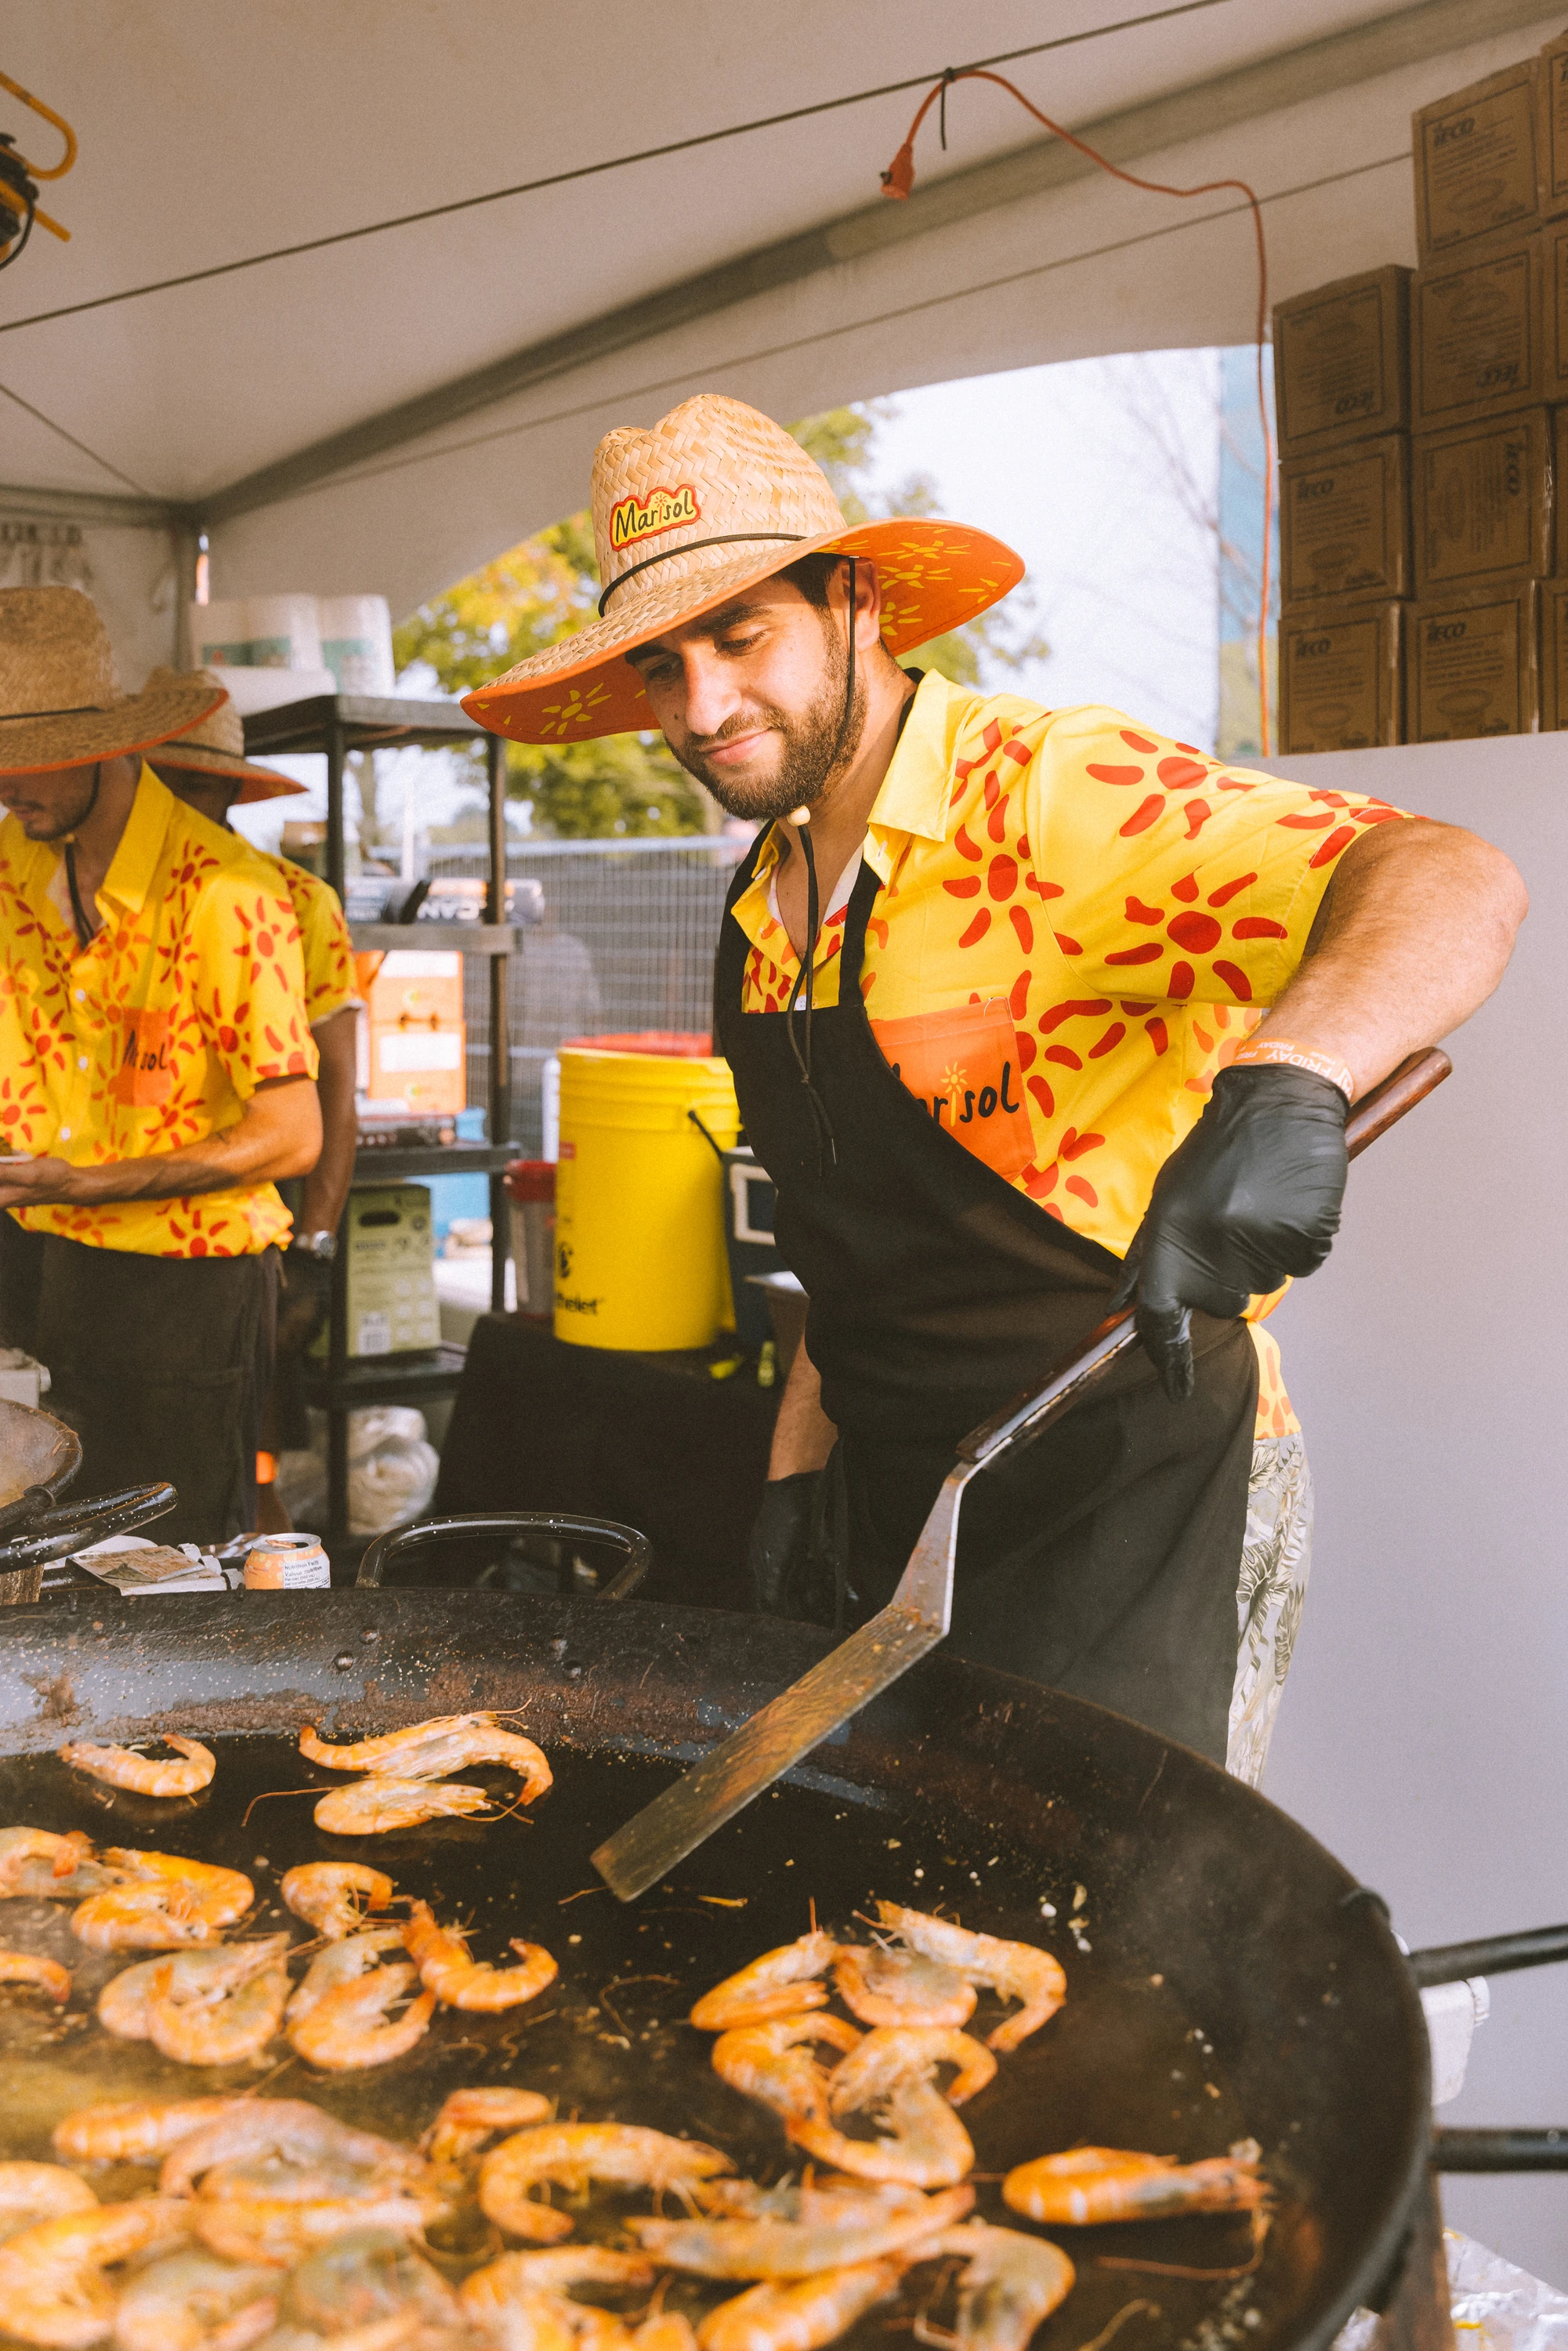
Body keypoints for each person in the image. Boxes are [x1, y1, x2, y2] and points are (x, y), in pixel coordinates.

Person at [462, 394, 1526, 1781]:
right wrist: (794, 1470)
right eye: (663, 667)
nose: (703, 706)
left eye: (740, 636)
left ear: (851, 600)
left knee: (1102, 1938)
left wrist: (1293, 1078)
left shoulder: (1043, 793)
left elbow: (1451, 875)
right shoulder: (763, 911)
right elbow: (846, 1247)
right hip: (906, 1501)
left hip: (1133, 1491)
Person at [0, 588, 320, 1543]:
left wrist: (93, 1181)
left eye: (27, 765)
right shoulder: (18, 863)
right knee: (64, 1545)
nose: (7, 788)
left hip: (193, 1282)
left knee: (181, 1562)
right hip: (56, 1258)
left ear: (104, 747)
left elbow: (292, 1133)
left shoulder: (228, 895)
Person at [145, 672, 360, 1512]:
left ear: (231, 790)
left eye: (193, 784)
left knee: (242, 1470)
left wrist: (314, 1247)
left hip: (245, 1240)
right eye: (158, 783)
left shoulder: (294, 900)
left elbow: (337, 1090)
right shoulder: (102, 901)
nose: (172, 804)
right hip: (108, 1234)